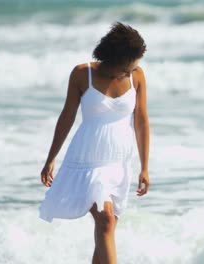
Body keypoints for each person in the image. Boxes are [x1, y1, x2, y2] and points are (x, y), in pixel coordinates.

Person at [38, 21, 150, 264]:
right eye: (127, 69)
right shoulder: (82, 74)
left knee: (104, 230)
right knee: (106, 222)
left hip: (119, 161)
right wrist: (51, 159)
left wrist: (144, 167)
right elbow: (67, 116)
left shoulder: (137, 77)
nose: (130, 73)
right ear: (114, 58)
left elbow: (141, 121)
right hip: (87, 159)